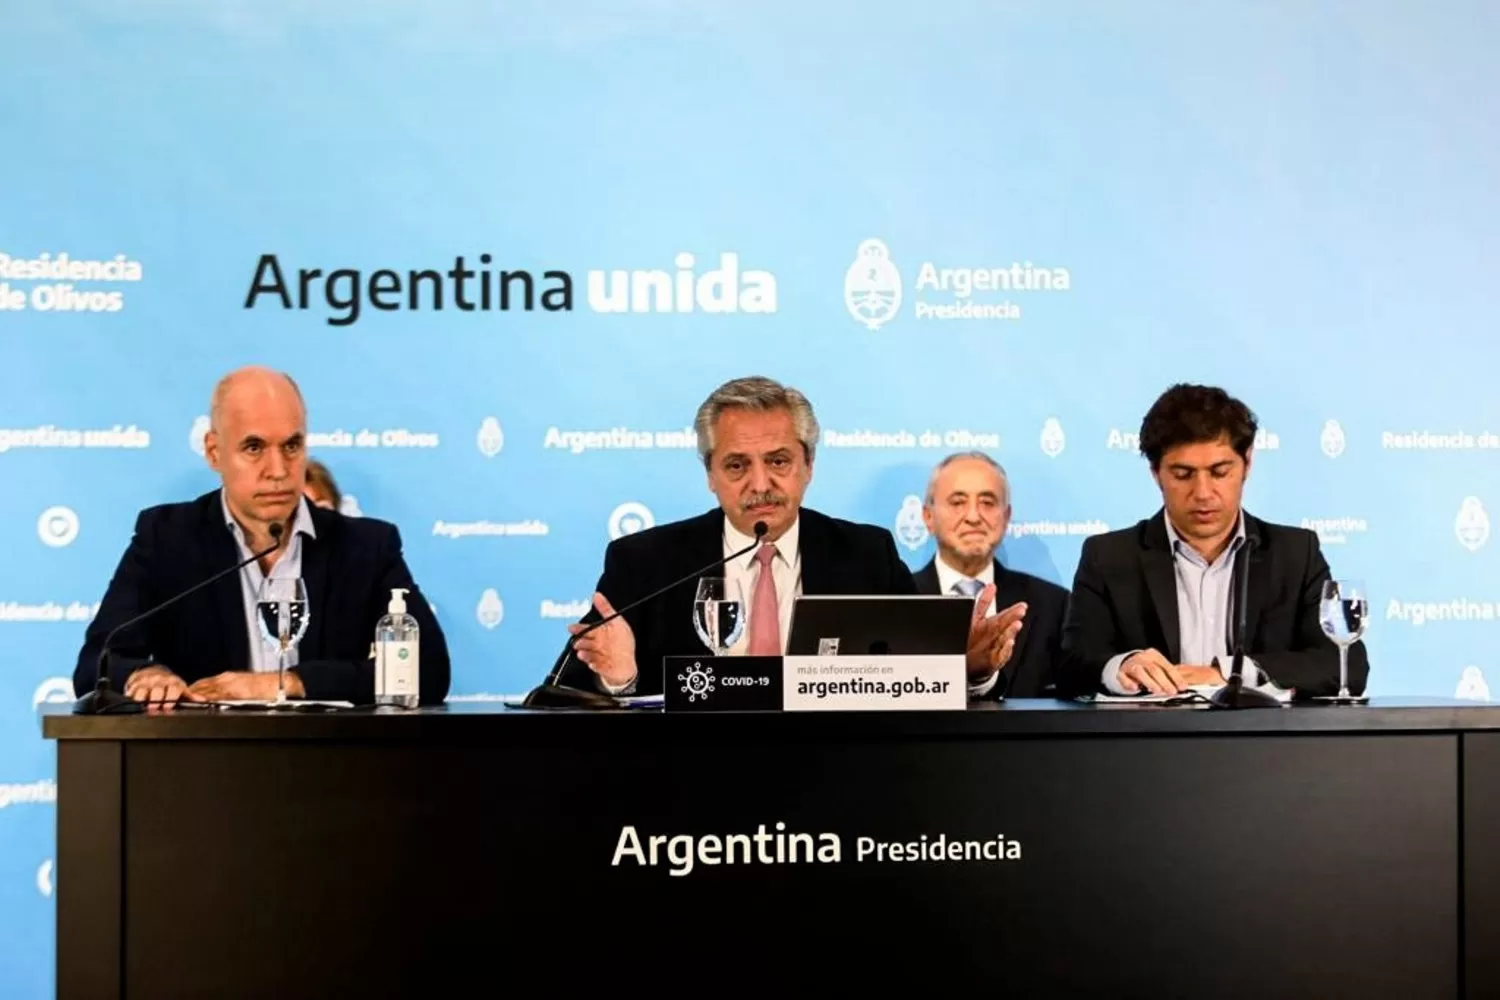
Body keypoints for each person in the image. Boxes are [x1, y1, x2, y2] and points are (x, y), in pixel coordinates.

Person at [553, 376, 1024, 698]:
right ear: (710, 475)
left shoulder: (865, 556)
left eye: (778, 461)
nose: (760, 484)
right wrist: (621, 679)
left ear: (808, 467)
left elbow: (922, 683)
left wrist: (972, 669)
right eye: (737, 465)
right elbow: (558, 698)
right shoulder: (647, 562)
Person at [73, 366, 449, 708]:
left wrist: (287, 683)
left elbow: (429, 670)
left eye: (291, 446)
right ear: (214, 452)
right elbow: (97, 663)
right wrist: (143, 676)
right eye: (254, 448)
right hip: (205, 769)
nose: (278, 470)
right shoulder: (167, 538)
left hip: (338, 766)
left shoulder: (366, 545)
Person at [1059, 383, 1368, 699]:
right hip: (1151, 744)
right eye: (1183, 474)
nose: (1203, 493)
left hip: (1263, 745)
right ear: (1155, 473)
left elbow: (1347, 666)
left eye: (1219, 472)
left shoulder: (1295, 554)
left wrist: (1230, 671)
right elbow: (1071, 667)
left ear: (1247, 463)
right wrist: (1120, 667)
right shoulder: (1109, 557)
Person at [912, 452, 1068, 698]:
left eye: (987, 502)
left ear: (1005, 517)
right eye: (957, 502)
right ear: (928, 517)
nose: (973, 516)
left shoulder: (1055, 605)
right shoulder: (899, 597)